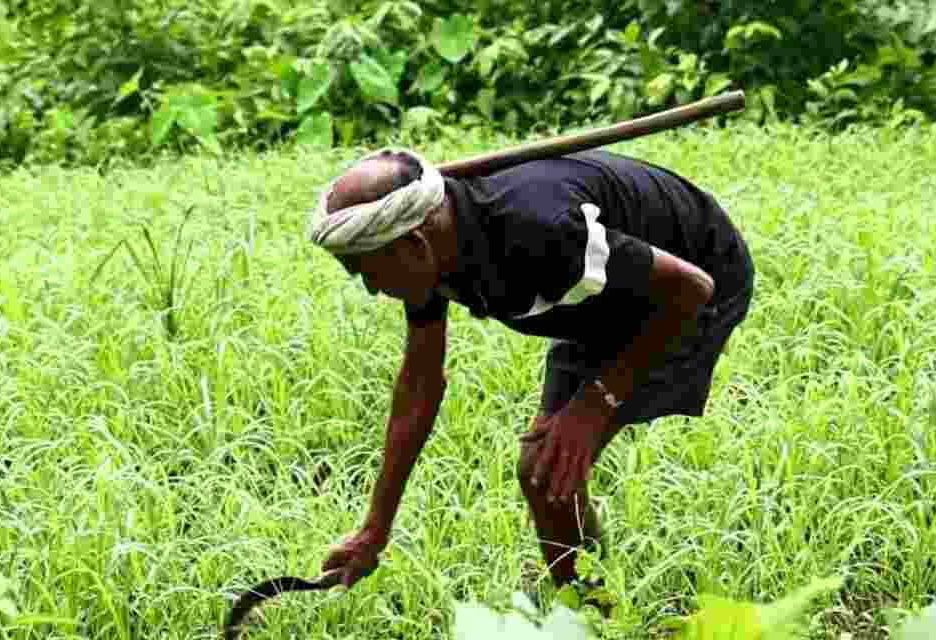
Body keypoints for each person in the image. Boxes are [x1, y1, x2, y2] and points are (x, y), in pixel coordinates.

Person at [305, 145, 754, 608]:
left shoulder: (539, 234)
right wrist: (375, 529)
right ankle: (592, 613)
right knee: (546, 472)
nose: (372, 289)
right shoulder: (428, 244)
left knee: (545, 470)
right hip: (602, 295)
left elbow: (692, 288)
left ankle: (598, 629)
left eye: (365, 272)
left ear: (416, 245)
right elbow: (420, 384)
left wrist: (597, 401)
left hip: (695, 283)